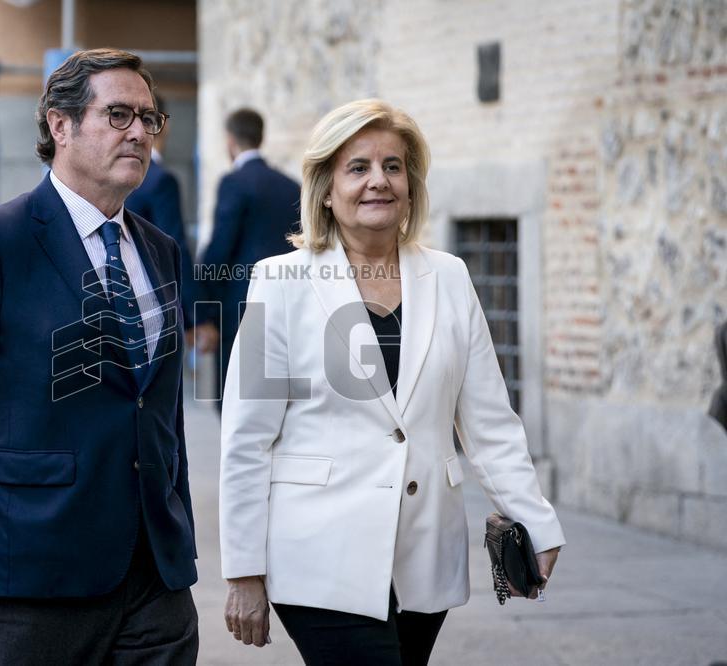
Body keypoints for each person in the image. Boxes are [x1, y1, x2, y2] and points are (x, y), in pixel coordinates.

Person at [0, 48, 199, 665]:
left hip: (155, 572)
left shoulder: (161, 250)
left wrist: (177, 522)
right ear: (60, 124)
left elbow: (157, 403)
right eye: (118, 114)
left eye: (149, 118)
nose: (138, 132)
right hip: (31, 567)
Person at [218, 99, 565, 665]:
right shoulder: (278, 281)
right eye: (358, 167)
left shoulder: (449, 276)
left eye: (393, 166)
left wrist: (536, 520)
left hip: (425, 557)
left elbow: (490, 423)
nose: (378, 180)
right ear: (326, 189)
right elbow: (246, 438)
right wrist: (243, 570)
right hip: (318, 558)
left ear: (410, 185)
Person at [197, 108, 301, 404]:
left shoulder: (234, 182)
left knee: (233, 399)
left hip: (239, 305)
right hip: (286, 303)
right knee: (277, 397)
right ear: (261, 137)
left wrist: (205, 306)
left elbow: (220, 249)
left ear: (230, 140)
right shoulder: (291, 185)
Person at [125, 94, 201, 332]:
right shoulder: (160, 180)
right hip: (156, 307)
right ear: (163, 126)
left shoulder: (114, 178)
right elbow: (175, 248)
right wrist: (194, 316)